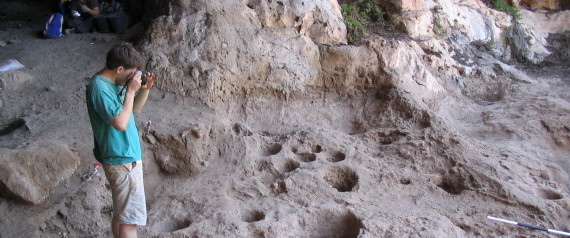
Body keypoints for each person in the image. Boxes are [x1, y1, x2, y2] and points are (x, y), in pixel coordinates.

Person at [86, 42, 156, 238]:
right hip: (122, 159)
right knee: (130, 220)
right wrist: (131, 90)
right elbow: (120, 123)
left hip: (122, 157)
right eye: (130, 73)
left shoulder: (113, 84)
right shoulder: (99, 88)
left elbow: (133, 110)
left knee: (121, 214)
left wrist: (144, 89)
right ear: (119, 69)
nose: (132, 77)